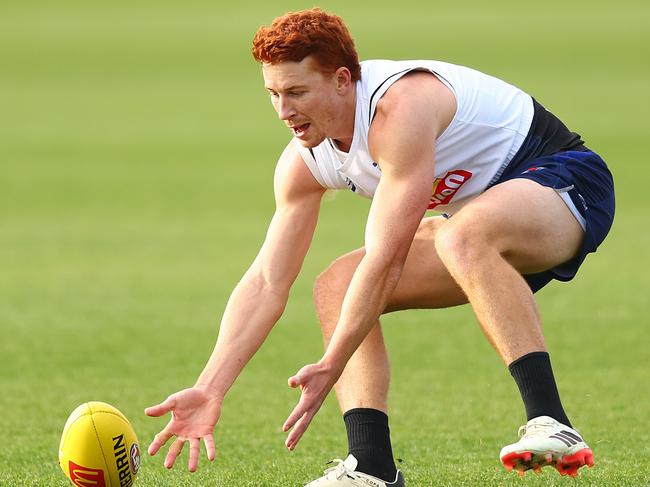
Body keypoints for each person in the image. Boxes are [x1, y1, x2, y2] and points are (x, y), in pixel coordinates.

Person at [144, 8, 614, 486]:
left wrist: (333, 362)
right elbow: (267, 280)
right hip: (482, 220)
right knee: (337, 285)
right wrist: (210, 388)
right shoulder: (303, 162)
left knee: (459, 235)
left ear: (343, 79)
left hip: (565, 182)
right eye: (274, 94)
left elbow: (386, 258)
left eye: (297, 92)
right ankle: (370, 467)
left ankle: (553, 424)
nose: (284, 111)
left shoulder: (398, 108)